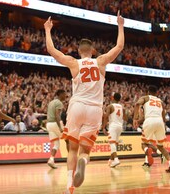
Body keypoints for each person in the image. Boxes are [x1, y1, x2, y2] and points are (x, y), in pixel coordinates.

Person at [44, 10, 124, 194]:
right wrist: (120, 25)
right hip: (95, 109)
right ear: (93, 51)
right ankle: (84, 161)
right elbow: (119, 46)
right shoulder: (101, 61)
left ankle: (69, 187)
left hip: (77, 106)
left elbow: (52, 51)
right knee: (84, 151)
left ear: (79, 51)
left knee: (72, 148)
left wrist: (48, 30)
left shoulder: (74, 63)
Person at [133, 85, 170, 173]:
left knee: (144, 144)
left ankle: (147, 151)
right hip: (160, 122)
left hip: (149, 120)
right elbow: (163, 113)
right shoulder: (160, 101)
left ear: (148, 92)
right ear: (156, 93)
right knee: (160, 146)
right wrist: (163, 124)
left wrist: (135, 118)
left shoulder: (145, 98)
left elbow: (137, 104)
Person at [102, 92, 127, 168]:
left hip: (113, 126)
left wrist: (103, 127)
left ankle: (116, 159)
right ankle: (111, 160)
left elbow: (106, 117)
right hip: (120, 126)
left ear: (112, 98)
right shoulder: (122, 107)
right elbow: (125, 118)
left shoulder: (110, 106)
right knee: (114, 144)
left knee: (112, 143)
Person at [46, 89, 67, 169]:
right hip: (55, 123)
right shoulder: (59, 103)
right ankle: (70, 160)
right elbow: (57, 115)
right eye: (64, 94)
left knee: (56, 144)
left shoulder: (51, 102)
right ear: (60, 94)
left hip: (49, 124)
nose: (65, 96)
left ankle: (51, 160)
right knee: (68, 139)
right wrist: (60, 127)